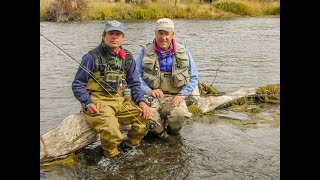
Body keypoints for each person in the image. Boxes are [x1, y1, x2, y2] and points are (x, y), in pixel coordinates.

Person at [72, 20, 152, 158]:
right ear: (103, 36)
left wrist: (141, 102)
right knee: (112, 130)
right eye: (111, 34)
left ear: (122, 38)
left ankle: (130, 148)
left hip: (121, 100)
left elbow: (134, 84)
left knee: (144, 118)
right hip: (98, 101)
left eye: (118, 34)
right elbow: (77, 84)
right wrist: (87, 102)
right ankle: (112, 156)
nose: (114, 37)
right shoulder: (91, 57)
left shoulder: (128, 57)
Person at [136, 18, 199, 137]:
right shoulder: (145, 51)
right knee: (147, 118)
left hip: (174, 97)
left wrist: (182, 94)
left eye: (166, 34)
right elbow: (136, 76)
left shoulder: (183, 50)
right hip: (151, 96)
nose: (163, 37)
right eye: (160, 33)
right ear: (155, 33)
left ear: (172, 35)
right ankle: (160, 133)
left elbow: (194, 77)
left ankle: (172, 133)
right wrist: (149, 91)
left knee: (180, 115)